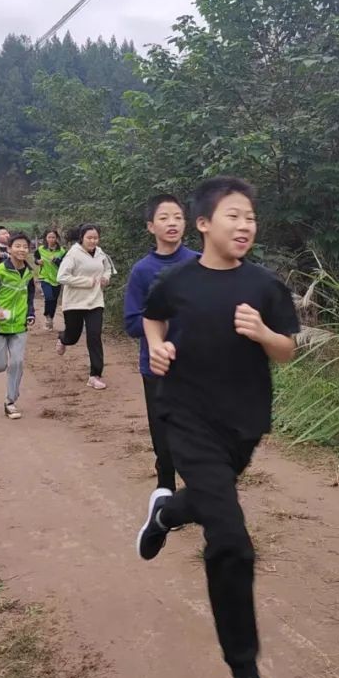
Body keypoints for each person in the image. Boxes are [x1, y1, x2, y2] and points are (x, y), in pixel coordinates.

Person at [136, 177, 300, 678]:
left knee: (210, 500)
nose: (245, 225)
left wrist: (262, 334)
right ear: (204, 224)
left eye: (250, 216)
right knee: (230, 536)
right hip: (185, 416)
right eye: (233, 215)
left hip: (243, 424)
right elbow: (151, 319)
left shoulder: (266, 287)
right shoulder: (177, 282)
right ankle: (245, 673)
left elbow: (287, 351)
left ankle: (165, 514)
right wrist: (158, 350)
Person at [124, 194, 199, 492]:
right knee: (165, 440)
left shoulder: (199, 263)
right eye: (164, 218)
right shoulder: (142, 271)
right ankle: (165, 488)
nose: (172, 223)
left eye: (178, 217)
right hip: (157, 369)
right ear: (150, 226)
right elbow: (132, 323)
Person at [0, 232, 36, 419]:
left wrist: (30, 313)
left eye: (25, 247)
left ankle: (10, 401)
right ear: (10, 249)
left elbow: (29, 297)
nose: (22, 250)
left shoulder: (28, 273)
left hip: (18, 325)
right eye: (18, 246)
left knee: (17, 362)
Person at [55, 224, 116, 390]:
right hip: (75, 302)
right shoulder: (73, 254)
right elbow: (61, 277)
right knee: (73, 337)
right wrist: (86, 282)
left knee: (94, 336)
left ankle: (95, 375)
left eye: (96, 238)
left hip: (95, 301)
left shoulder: (100, 253)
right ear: (81, 238)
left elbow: (108, 269)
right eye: (89, 238)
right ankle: (63, 338)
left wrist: (105, 278)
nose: (93, 241)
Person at [35, 229, 66, 331]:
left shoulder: (61, 251)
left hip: (57, 278)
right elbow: (35, 259)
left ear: (56, 238)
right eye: (49, 237)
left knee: (54, 300)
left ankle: (50, 318)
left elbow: (65, 265)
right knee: (48, 297)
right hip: (45, 277)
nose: (51, 239)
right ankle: (47, 317)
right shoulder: (40, 249)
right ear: (46, 238)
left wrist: (56, 260)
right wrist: (37, 261)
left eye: (53, 237)